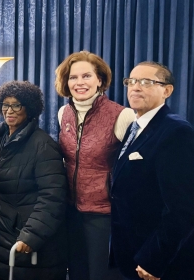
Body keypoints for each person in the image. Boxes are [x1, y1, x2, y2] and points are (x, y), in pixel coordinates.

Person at [110, 62, 194, 280]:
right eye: (132, 81)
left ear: (167, 90)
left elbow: (184, 206)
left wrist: (155, 257)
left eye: (146, 82)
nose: (135, 87)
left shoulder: (176, 131)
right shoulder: (134, 126)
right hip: (135, 250)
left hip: (165, 261)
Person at [54, 51, 134, 280]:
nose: (79, 83)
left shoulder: (122, 116)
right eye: (73, 77)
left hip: (103, 211)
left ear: (100, 80)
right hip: (70, 206)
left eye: (86, 76)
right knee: (76, 269)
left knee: (99, 273)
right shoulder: (64, 113)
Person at [0, 81, 67, 280]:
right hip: (1, 235)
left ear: (30, 108)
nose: (9, 110)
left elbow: (53, 197)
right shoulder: (0, 138)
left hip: (26, 239)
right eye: (6, 105)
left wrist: (30, 236)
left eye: (17, 105)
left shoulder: (43, 145)